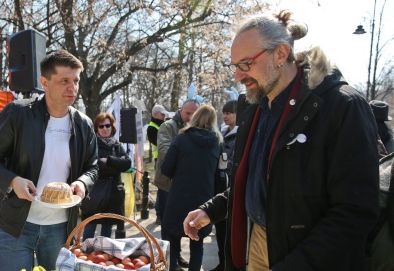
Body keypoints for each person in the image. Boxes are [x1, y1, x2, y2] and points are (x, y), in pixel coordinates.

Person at [183, 10, 379, 271]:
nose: (238, 76)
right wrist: (214, 208)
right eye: (235, 66)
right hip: (256, 245)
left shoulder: (343, 106)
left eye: (246, 64)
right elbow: (260, 183)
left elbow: (355, 212)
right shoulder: (257, 107)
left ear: (280, 54)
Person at [0, 50, 98, 271]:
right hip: (16, 223)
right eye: (64, 81)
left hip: (61, 227)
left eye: (75, 81)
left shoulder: (84, 124)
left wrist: (82, 183)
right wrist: (13, 181)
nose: (72, 87)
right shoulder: (17, 113)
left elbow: (92, 167)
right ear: (44, 82)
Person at [161, 104, 223, 271]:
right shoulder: (218, 142)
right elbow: (220, 177)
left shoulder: (182, 138)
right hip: (204, 198)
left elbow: (166, 168)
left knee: (173, 242)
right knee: (198, 243)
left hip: (179, 197)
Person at [154, 97, 200, 269]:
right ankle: (167, 261)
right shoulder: (167, 126)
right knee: (168, 226)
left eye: (194, 113)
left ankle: (177, 256)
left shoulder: (198, 129)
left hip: (187, 186)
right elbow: (165, 151)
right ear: (181, 111)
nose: (190, 116)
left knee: (183, 223)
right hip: (167, 185)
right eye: (188, 113)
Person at [81, 113, 131, 240]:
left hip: (113, 193)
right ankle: (86, 252)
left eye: (107, 125)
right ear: (96, 128)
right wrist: (116, 163)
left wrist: (108, 160)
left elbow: (127, 164)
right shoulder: (92, 144)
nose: (105, 129)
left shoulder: (116, 144)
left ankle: (104, 252)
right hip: (96, 192)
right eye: (101, 126)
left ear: (112, 126)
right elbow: (96, 166)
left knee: (108, 226)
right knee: (90, 225)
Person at [210, 99, 238, 271]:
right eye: (224, 113)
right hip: (218, 188)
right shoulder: (220, 133)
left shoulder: (241, 135)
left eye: (229, 113)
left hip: (231, 188)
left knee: (230, 232)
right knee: (220, 230)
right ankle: (222, 263)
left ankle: (230, 265)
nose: (225, 116)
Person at [147, 104, 168, 225]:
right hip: (159, 161)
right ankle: (159, 215)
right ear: (155, 114)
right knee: (161, 188)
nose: (164, 116)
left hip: (163, 159)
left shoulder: (163, 125)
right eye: (162, 114)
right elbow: (159, 143)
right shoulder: (152, 128)